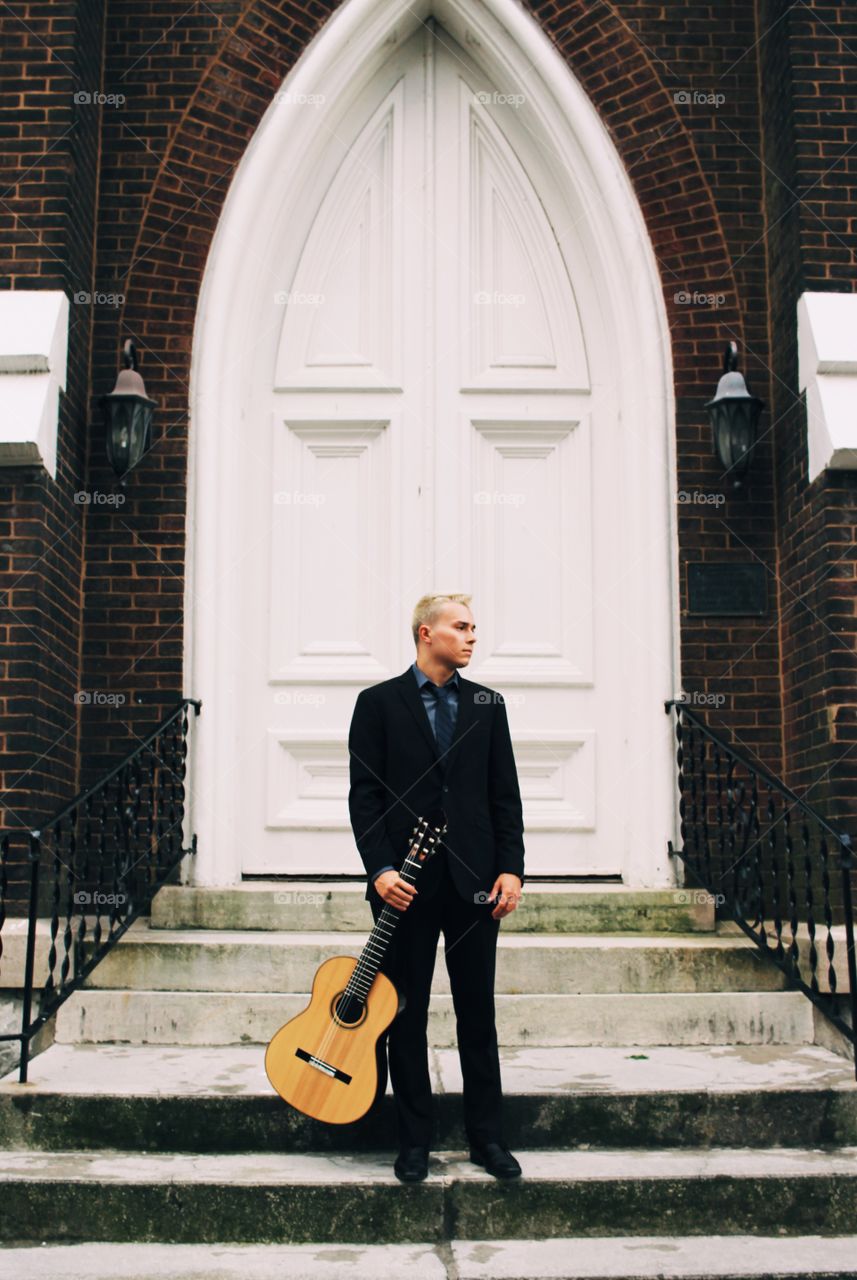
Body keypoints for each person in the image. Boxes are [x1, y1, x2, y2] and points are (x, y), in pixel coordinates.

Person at [347, 592, 525, 1183]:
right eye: (462, 627)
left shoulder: (488, 705)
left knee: (478, 1014)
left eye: (475, 627)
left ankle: (488, 1140)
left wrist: (511, 868)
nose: (473, 637)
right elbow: (365, 797)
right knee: (406, 1015)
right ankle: (414, 1143)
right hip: (406, 886)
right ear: (427, 633)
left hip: (476, 882)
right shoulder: (377, 704)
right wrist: (380, 869)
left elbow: (505, 796)